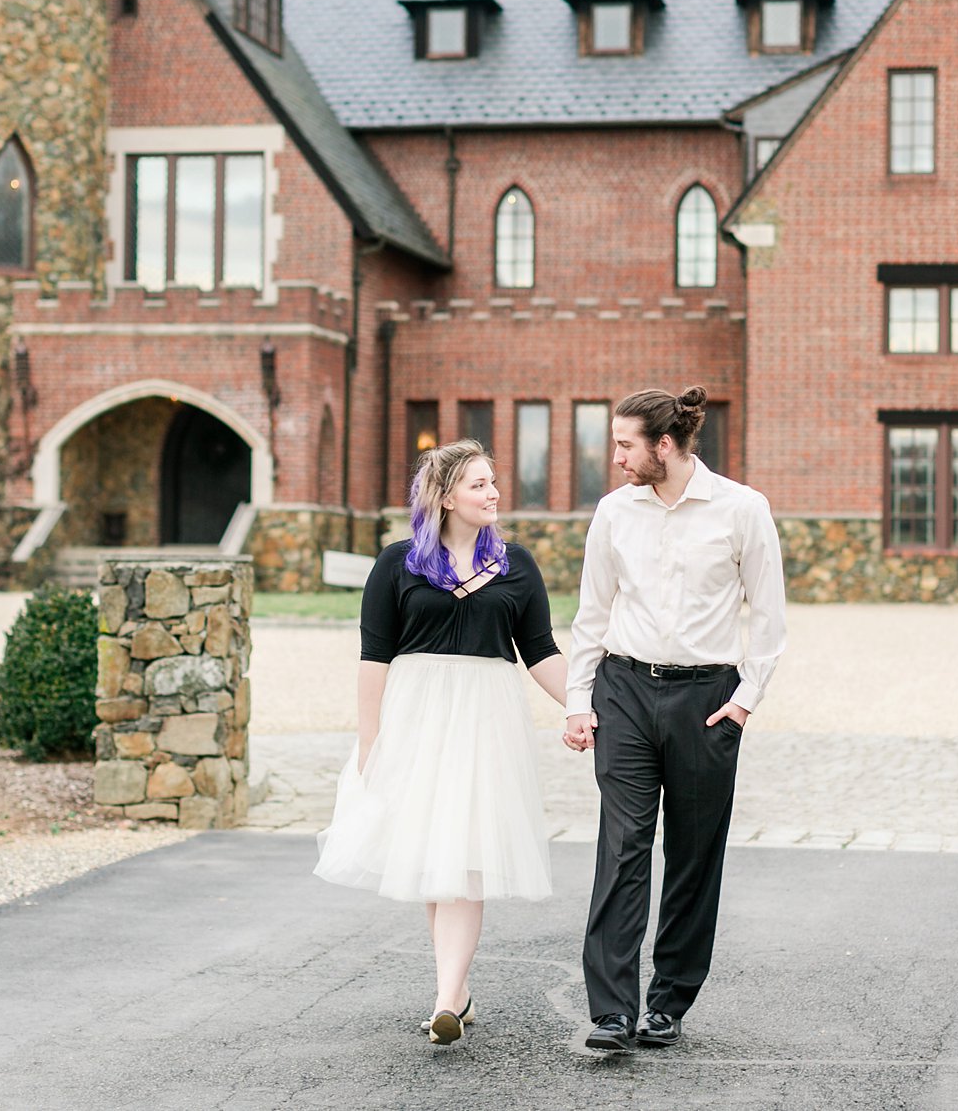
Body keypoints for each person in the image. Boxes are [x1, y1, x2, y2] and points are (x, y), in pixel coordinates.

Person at [314, 438, 570, 1046]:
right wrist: (369, 742)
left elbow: (540, 653)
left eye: (493, 482)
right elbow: (373, 659)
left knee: (465, 858)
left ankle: (445, 999)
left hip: (487, 722)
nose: (493, 493)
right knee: (436, 855)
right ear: (446, 495)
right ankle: (453, 992)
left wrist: (588, 705)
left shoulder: (517, 565)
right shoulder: (396, 563)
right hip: (416, 721)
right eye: (479, 484)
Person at [563, 386, 786, 1053]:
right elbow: (592, 613)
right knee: (623, 846)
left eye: (627, 444)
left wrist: (744, 701)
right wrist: (579, 700)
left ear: (664, 445)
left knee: (692, 855)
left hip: (706, 701)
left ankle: (668, 1002)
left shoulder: (742, 510)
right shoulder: (613, 512)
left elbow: (769, 618)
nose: (617, 456)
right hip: (624, 691)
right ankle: (610, 1009)